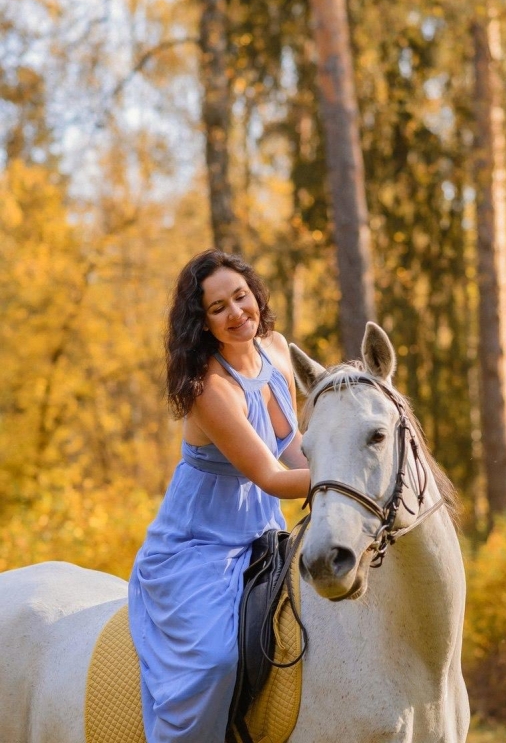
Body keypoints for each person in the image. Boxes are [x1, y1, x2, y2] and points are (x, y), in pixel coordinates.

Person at [128, 249, 310, 743]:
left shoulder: (276, 349)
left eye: (240, 296)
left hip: (261, 535)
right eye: (217, 308)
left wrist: (335, 471)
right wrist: (345, 480)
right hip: (197, 547)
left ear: (255, 295)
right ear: (202, 322)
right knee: (215, 661)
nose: (236, 313)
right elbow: (270, 477)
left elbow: (288, 443)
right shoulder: (208, 389)